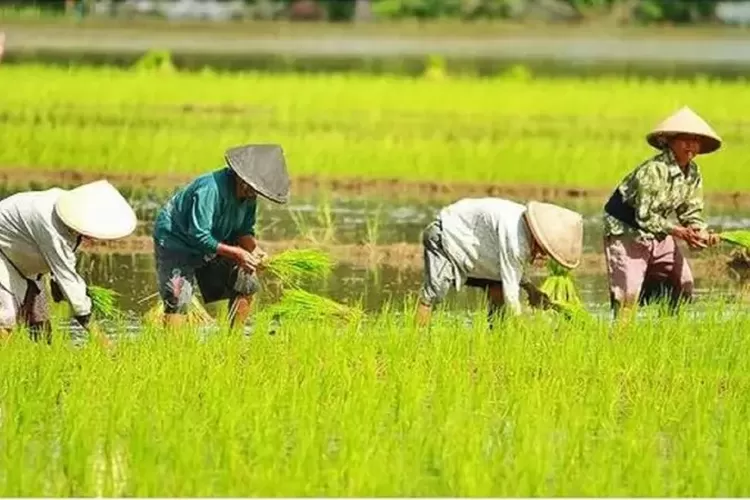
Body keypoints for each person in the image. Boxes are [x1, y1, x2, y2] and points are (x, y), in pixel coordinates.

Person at [152, 143, 291, 330]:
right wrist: (237, 253)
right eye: (252, 187)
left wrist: (254, 250)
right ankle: (174, 351)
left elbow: (244, 230)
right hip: (177, 240)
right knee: (178, 296)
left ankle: (232, 343)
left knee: (247, 279)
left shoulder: (249, 197)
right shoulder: (210, 189)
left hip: (213, 240)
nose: (254, 193)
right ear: (241, 177)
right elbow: (199, 235)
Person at [602, 106, 722, 319]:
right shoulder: (653, 170)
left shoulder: (693, 172)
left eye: (696, 140)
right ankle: (619, 343)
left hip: (659, 232)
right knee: (627, 298)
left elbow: (690, 211)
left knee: (683, 284)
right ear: (669, 142)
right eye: (685, 139)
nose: (691, 146)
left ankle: (667, 331)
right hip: (626, 231)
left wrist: (700, 232)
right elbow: (645, 216)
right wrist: (680, 232)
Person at [0, 179, 137, 341]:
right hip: (4, 255)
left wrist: (56, 280)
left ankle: (41, 361)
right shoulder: (50, 224)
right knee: (7, 317)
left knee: (41, 327)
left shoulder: (70, 212)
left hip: (22, 261)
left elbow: (61, 265)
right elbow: (67, 276)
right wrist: (96, 333)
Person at [415, 197, 584, 328]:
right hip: (446, 235)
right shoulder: (516, 238)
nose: (544, 257)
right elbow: (511, 294)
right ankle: (418, 342)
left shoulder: (524, 229)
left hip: (475, 246)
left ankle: (495, 334)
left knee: (497, 286)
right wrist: (522, 329)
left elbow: (512, 268)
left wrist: (531, 290)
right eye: (545, 251)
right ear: (539, 239)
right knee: (433, 294)